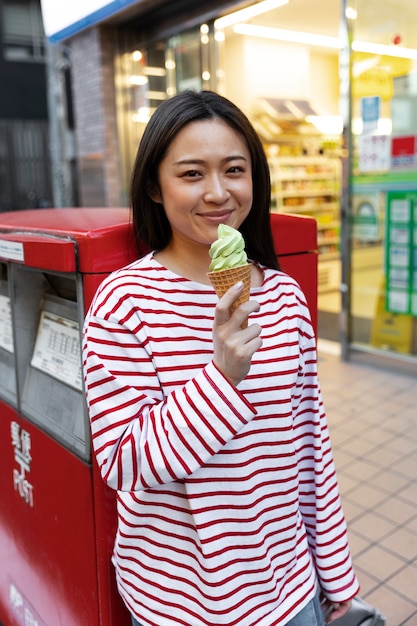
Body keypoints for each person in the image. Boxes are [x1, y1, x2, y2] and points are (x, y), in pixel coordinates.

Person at [82, 90, 359, 626]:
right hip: (176, 603)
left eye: (234, 169)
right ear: (154, 188)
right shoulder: (125, 301)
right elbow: (122, 460)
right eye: (190, 174)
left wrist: (336, 573)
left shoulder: (282, 296)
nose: (217, 192)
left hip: (288, 592)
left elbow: (309, 448)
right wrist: (220, 380)